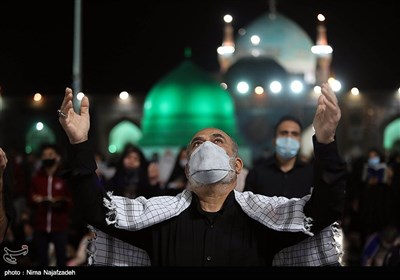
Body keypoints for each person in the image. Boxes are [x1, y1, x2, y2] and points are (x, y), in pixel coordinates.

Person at [58, 82, 346, 266]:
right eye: (197, 143)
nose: (206, 145)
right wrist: (79, 143)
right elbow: (96, 212)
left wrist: (325, 142)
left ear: (237, 165)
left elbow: (324, 211)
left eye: (217, 140)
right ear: (187, 168)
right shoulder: (158, 220)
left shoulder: (265, 221)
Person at [244, 115, 313, 198]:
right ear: (274, 141)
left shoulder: (311, 173)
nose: (289, 138)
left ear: (300, 141)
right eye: (284, 133)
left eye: (294, 134)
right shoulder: (257, 174)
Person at [29, 143, 72, 266]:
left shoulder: (63, 177)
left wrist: (60, 201)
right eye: (44, 155)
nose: (47, 157)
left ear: (57, 157)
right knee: (42, 259)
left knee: (61, 258)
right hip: (41, 224)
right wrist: (36, 199)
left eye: (50, 154)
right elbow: (30, 198)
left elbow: (70, 200)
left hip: (59, 224)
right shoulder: (36, 178)